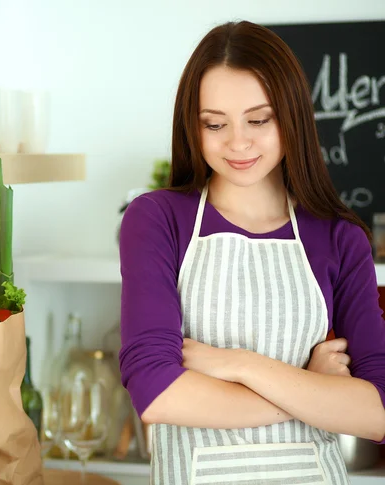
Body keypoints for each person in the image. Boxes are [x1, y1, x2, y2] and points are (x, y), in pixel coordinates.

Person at [118, 20, 385, 485]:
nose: (237, 142)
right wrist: (309, 385)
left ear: (292, 117)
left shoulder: (340, 238)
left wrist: (238, 365)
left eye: (259, 120)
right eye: (214, 123)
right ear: (193, 126)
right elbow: (157, 394)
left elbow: (378, 412)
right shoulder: (158, 220)